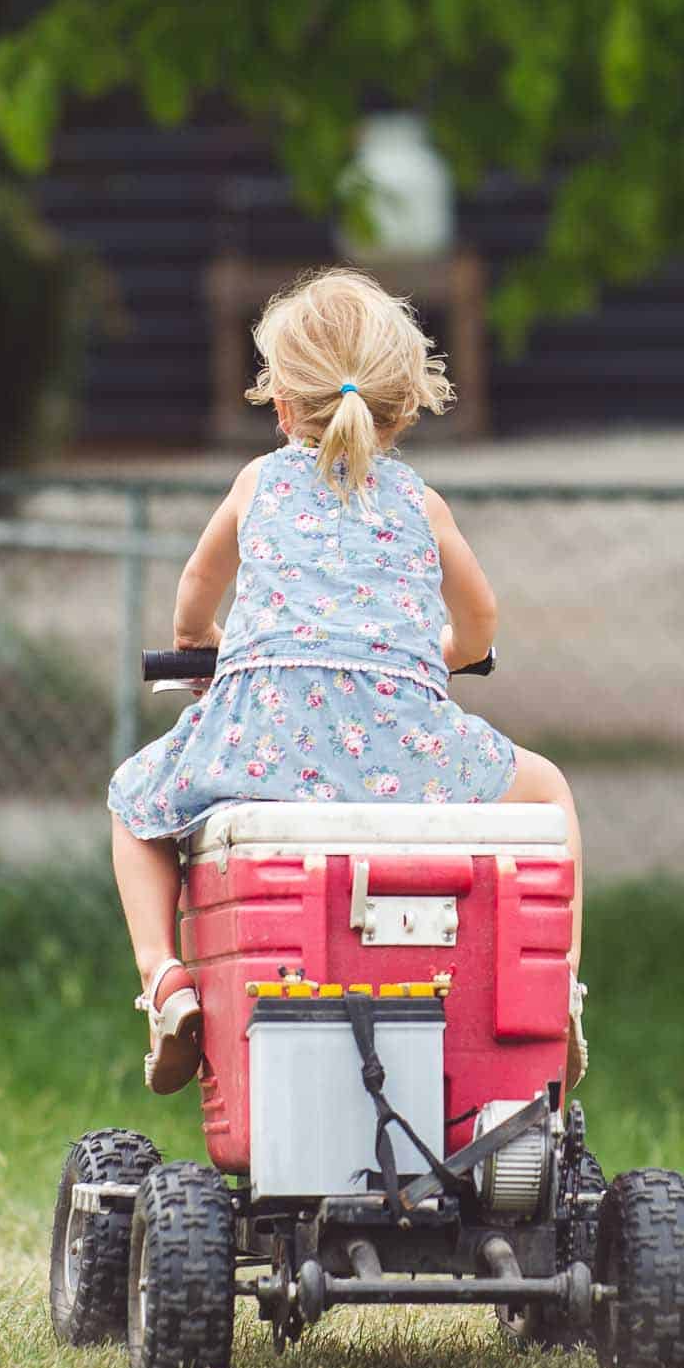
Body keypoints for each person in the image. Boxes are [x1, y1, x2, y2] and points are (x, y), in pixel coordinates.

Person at [104, 267, 586, 1096]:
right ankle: (552, 987)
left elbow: (195, 587)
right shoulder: (421, 503)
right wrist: (447, 652)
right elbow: (482, 624)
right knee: (548, 795)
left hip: (263, 746)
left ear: (282, 406)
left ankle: (164, 981)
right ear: (401, 411)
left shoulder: (258, 484)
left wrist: (200, 646)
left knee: (135, 803)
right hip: (403, 752)